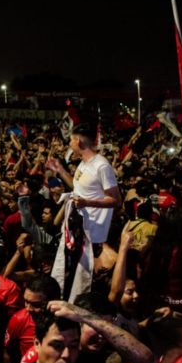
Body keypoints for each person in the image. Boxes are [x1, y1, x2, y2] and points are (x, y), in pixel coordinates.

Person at [47, 123, 122, 301]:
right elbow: (77, 187)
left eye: (71, 140)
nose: (69, 145)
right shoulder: (83, 163)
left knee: (86, 283)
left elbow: (116, 200)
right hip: (78, 230)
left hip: (93, 237)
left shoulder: (102, 166)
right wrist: (60, 170)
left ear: (78, 141)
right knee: (72, 278)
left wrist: (87, 202)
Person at [2, 275, 61, 363]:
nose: (28, 308)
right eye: (26, 302)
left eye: (36, 304)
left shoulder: (68, 322)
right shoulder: (19, 319)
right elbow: (8, 354)